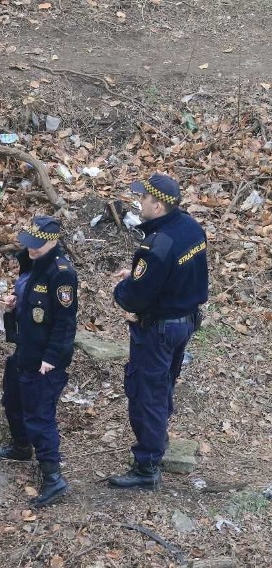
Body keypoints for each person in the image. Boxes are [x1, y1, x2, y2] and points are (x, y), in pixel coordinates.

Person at [110, 173, 208, 489]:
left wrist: (123, 287)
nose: (139, 204)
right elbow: (175, 275)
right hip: (185, 322)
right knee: (163, 381)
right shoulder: (191, 228)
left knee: (145, 393)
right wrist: (139, 276)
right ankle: (158, 437)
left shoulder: (157, 244)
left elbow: (135, 296)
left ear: (158, 205)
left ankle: (147, 466)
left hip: (158, 330)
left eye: (143, 200)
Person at [0, 216, 78, 508]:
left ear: (53, 242)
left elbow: (65, 322)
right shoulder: (32, 262)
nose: (32, 250)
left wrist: (52, 357)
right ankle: (20, 446)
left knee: (39, 415)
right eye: (30, 244)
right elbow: (32, 300)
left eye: (37, 246)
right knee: (12, 400)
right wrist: (15, 303)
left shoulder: (61, 274)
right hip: (25, 349)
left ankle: (53, 477)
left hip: (43, 360)